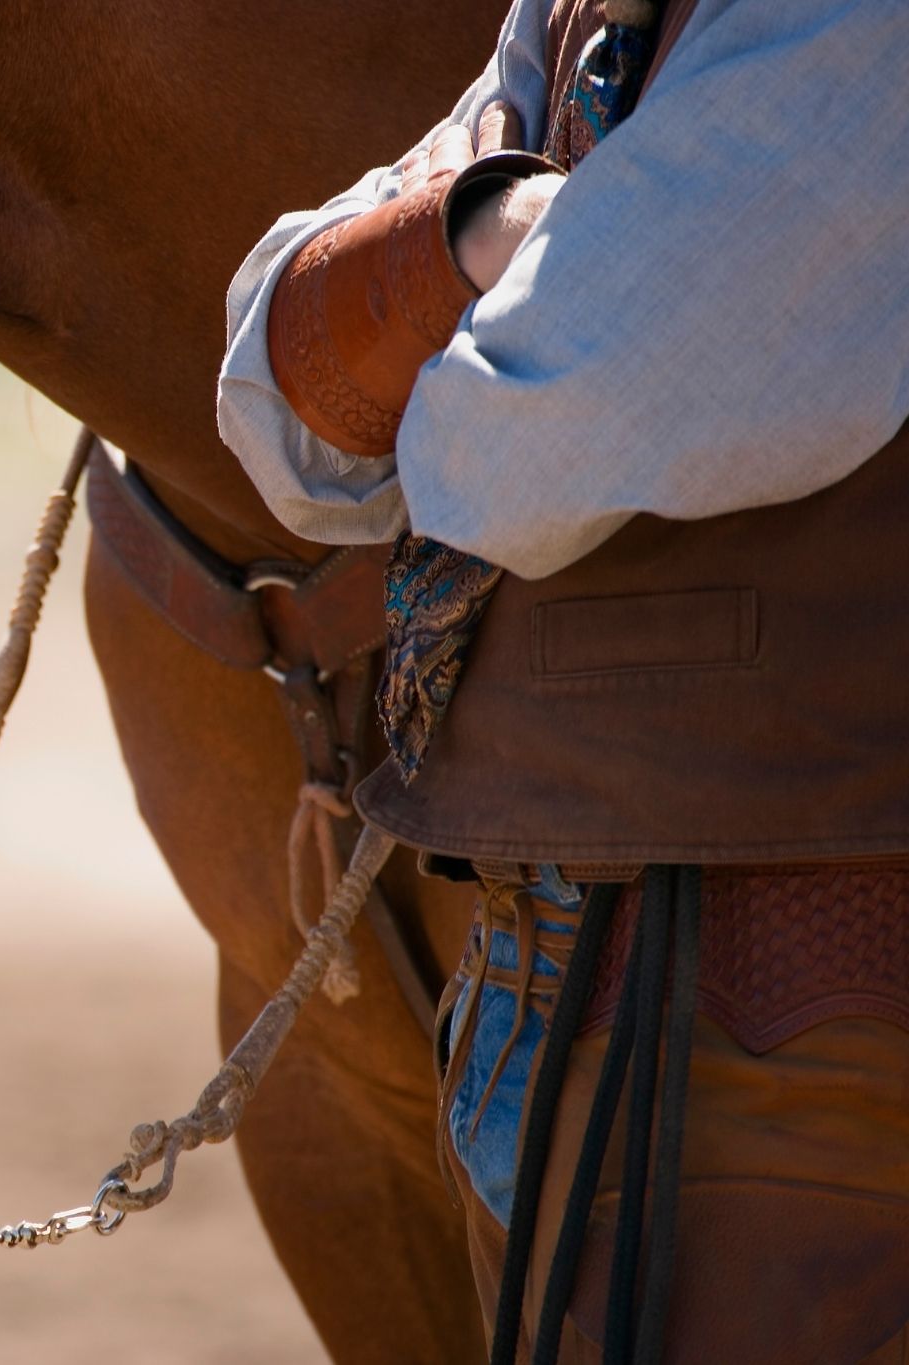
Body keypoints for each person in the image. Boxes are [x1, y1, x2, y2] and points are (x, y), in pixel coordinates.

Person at [214, 0, 909, 1359]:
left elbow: (517, 450)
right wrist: (503, 226)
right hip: (567, 987)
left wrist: (449, 268)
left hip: (789, 1015)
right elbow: (281, 404)